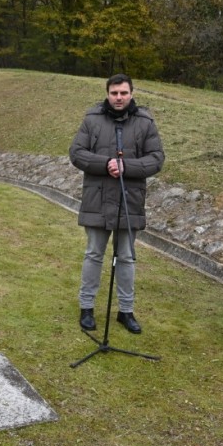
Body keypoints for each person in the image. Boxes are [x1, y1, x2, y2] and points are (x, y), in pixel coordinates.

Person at [70, 74, 165, 334]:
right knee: (93, 254)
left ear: (131, 93)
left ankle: (126, 311)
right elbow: (76, 153)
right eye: (114, 93)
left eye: (123, 93)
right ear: (108, 93)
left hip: (129, 199)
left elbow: (156, 158)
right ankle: (86, 307)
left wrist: (127, 166)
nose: (119, 97)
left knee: (126, 258)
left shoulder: (145, 122)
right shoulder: (92, 119)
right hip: (97, 199)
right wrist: (105, 163)